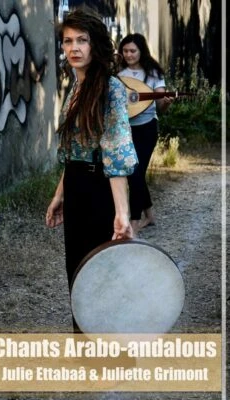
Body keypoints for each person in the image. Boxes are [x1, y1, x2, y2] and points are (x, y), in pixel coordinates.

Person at [46, 10, 138, 330]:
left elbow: (115, 150)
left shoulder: (109, 87)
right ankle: (85, 349)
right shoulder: (76, 87)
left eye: (81, 40)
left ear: (95, 44)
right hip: (75, 186)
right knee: (78, 270)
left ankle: (110, 352)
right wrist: (60, 194)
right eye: (67, 41)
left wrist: (121, 213)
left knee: (103, 273)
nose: (74, 48)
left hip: (99, 188)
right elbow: (74, 151)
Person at [118, 33, 174, 236]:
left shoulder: (152, 74)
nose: (129, 54)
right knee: (136, 173)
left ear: (141, 51)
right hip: (125, 129)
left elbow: (160, 105)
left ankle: (134, 222)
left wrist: (165, 103)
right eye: (125, 51)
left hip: (147, 128)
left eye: (133, 51)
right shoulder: (119, 74)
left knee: (135, 173)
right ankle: (149, 215)